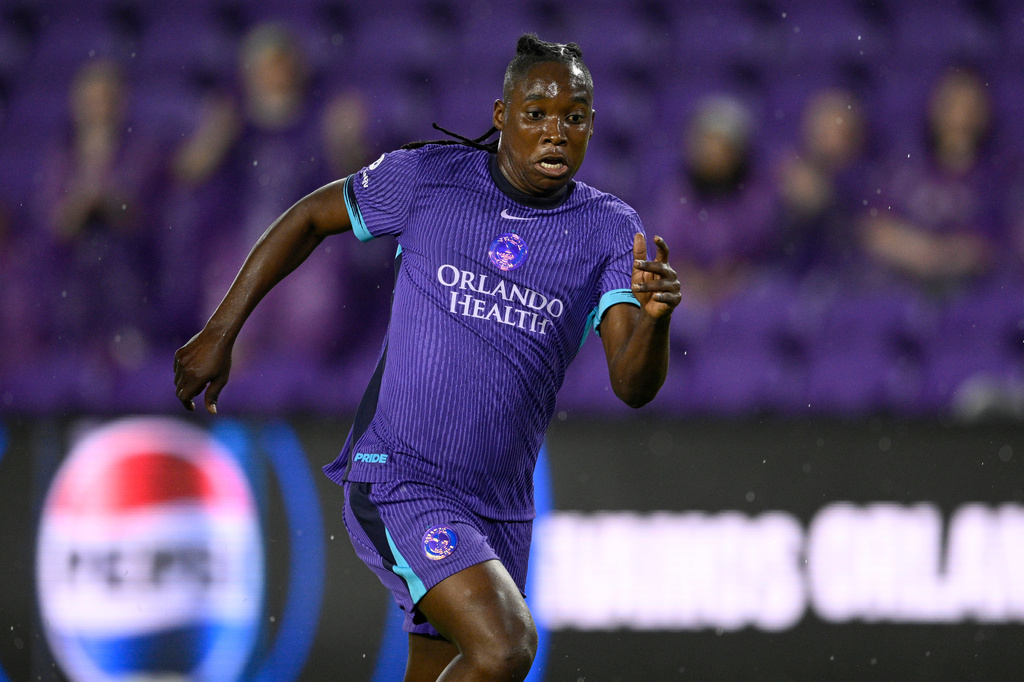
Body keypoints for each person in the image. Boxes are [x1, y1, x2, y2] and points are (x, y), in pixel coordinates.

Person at [174, 34, 680, 681]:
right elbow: (308, 218)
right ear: (501, 116)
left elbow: (632, 385)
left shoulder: (610, 229)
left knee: (452, 665)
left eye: (573, 118)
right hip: (402, 480)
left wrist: (657, 322)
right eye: (536, 115)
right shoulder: (429, 178)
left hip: (500, 504)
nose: (556, 133)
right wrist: (222, 330)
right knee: (504, 648)